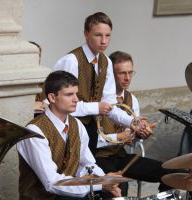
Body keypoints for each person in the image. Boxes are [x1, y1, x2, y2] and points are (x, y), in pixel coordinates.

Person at [17, 70, 122, 200]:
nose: (76, 99)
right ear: (52, 97)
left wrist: (104, 179)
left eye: (76, 93)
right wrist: (99, 184)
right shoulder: (35, 131)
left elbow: (86, 164)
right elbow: (52, 182)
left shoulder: (77, 125)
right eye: (69, 94)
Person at [53, 12, 148, 155]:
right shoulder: (71, 60)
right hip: (64, 128)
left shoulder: (106, 62)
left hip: (89, 128)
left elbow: (110, 105)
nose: (104, 41)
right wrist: (97, 107)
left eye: (108, 35)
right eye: (98, 35)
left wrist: (132, 122)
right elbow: (61, 105)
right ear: (86, 34)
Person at [95, 51, 175, 196]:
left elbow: (131, 140)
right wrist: (121, 136)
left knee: (171, 174)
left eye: (130, 73)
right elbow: (90, 141)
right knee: (119, 187)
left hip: (120, 156)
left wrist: (140, 134)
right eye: (122, 73)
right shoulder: (98, 101)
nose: (127, 78)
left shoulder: (132, 100)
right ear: (111, 75)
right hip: (98, 159)